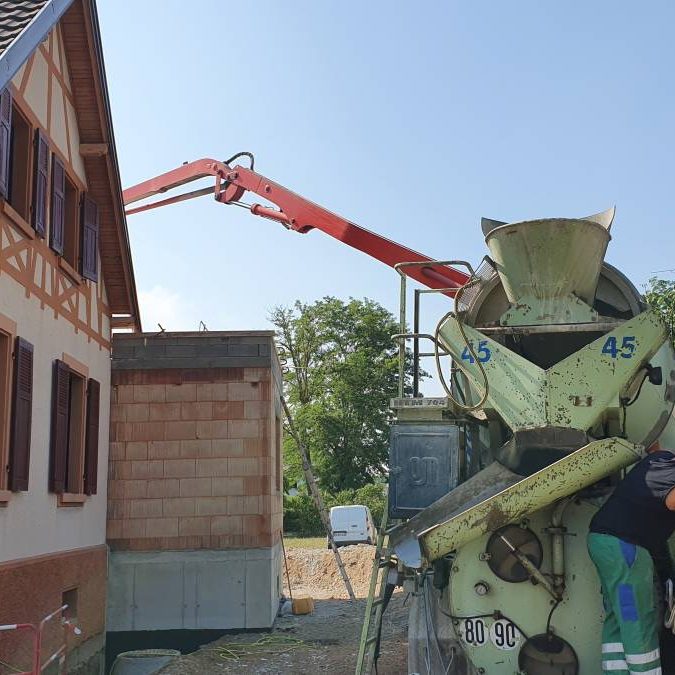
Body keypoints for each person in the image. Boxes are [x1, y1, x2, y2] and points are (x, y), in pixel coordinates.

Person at [588, 440, 675, 675]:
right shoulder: (668, 468)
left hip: (602, 542)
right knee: (636, 616)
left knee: (619, 618)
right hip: (624, 546)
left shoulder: (658, 462)